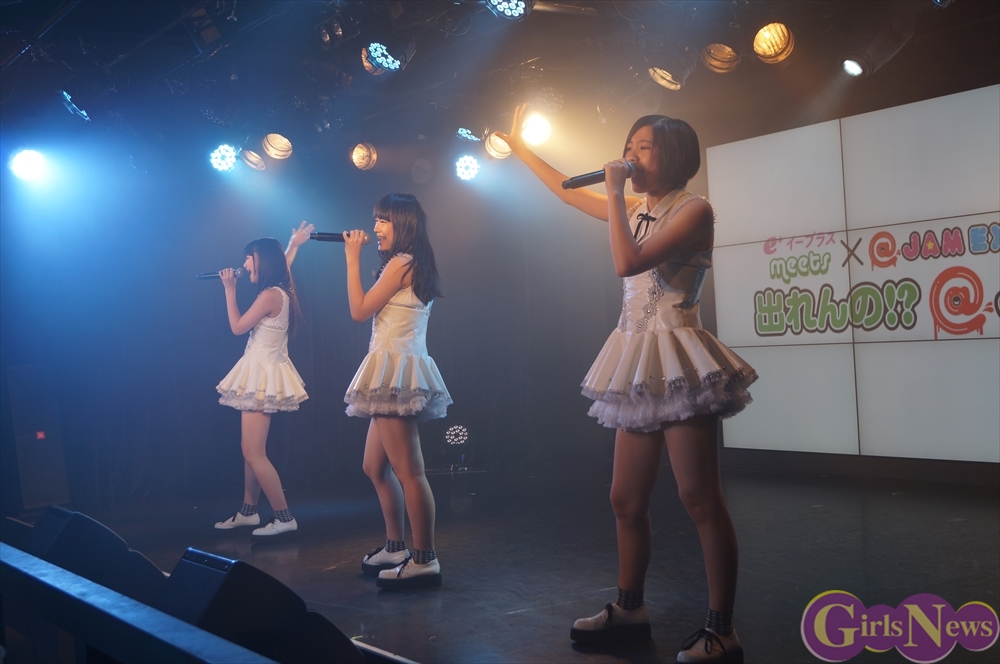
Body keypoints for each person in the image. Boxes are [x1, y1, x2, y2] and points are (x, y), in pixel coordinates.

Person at [497, 106, 757, 663]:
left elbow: (626, 262)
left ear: (674, 155)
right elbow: (567, 193)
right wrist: (519, 147)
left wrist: (616, 194)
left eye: (644, 147)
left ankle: (722, 630)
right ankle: (630, 608)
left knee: (699, 498)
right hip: (638, 357)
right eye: (629, 146)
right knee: (624, 498)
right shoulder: (637, 208)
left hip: (678, 356)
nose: (630, 156)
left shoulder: (694, 209)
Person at [342, 193, 452, 590]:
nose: (375, 228)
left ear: (402, 224)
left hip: (394, 373)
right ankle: (395, 548)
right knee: (375, 467)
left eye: (383, 220)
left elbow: (359, 311)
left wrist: (351, 259)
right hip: (394, 369)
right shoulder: (410, 262)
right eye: (375, 220)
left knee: (410, 472)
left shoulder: (402, 262)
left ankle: (424, 560)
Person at [213, 222, 314, 540]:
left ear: (262, 261)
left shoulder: (271, 295)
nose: (244, 265)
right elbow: (284, 263)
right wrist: (293, 245)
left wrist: (229, 289)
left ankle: (284, 517)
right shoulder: (282, 289)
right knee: (251, 450)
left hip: (261, 375)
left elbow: (237, 327)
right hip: (261, 373)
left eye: (248, 258)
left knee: (253, 452)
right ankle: (248, 511)